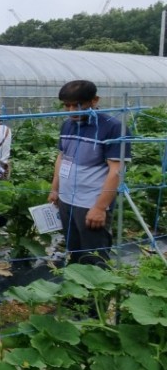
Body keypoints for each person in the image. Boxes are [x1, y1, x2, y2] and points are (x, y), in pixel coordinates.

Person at [47, 80, 130, 267]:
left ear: (94, 100)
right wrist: (55, 189)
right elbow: (62, 157)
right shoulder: (67, 125)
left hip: (90, 202)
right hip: (67, 199)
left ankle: (96, 295)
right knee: (73, 250)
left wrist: (100, 208)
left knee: (94, 255)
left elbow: (116, 171)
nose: (71, 111)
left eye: (77, 105)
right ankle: (77, 293)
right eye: (66, 106)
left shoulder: (112, 127)